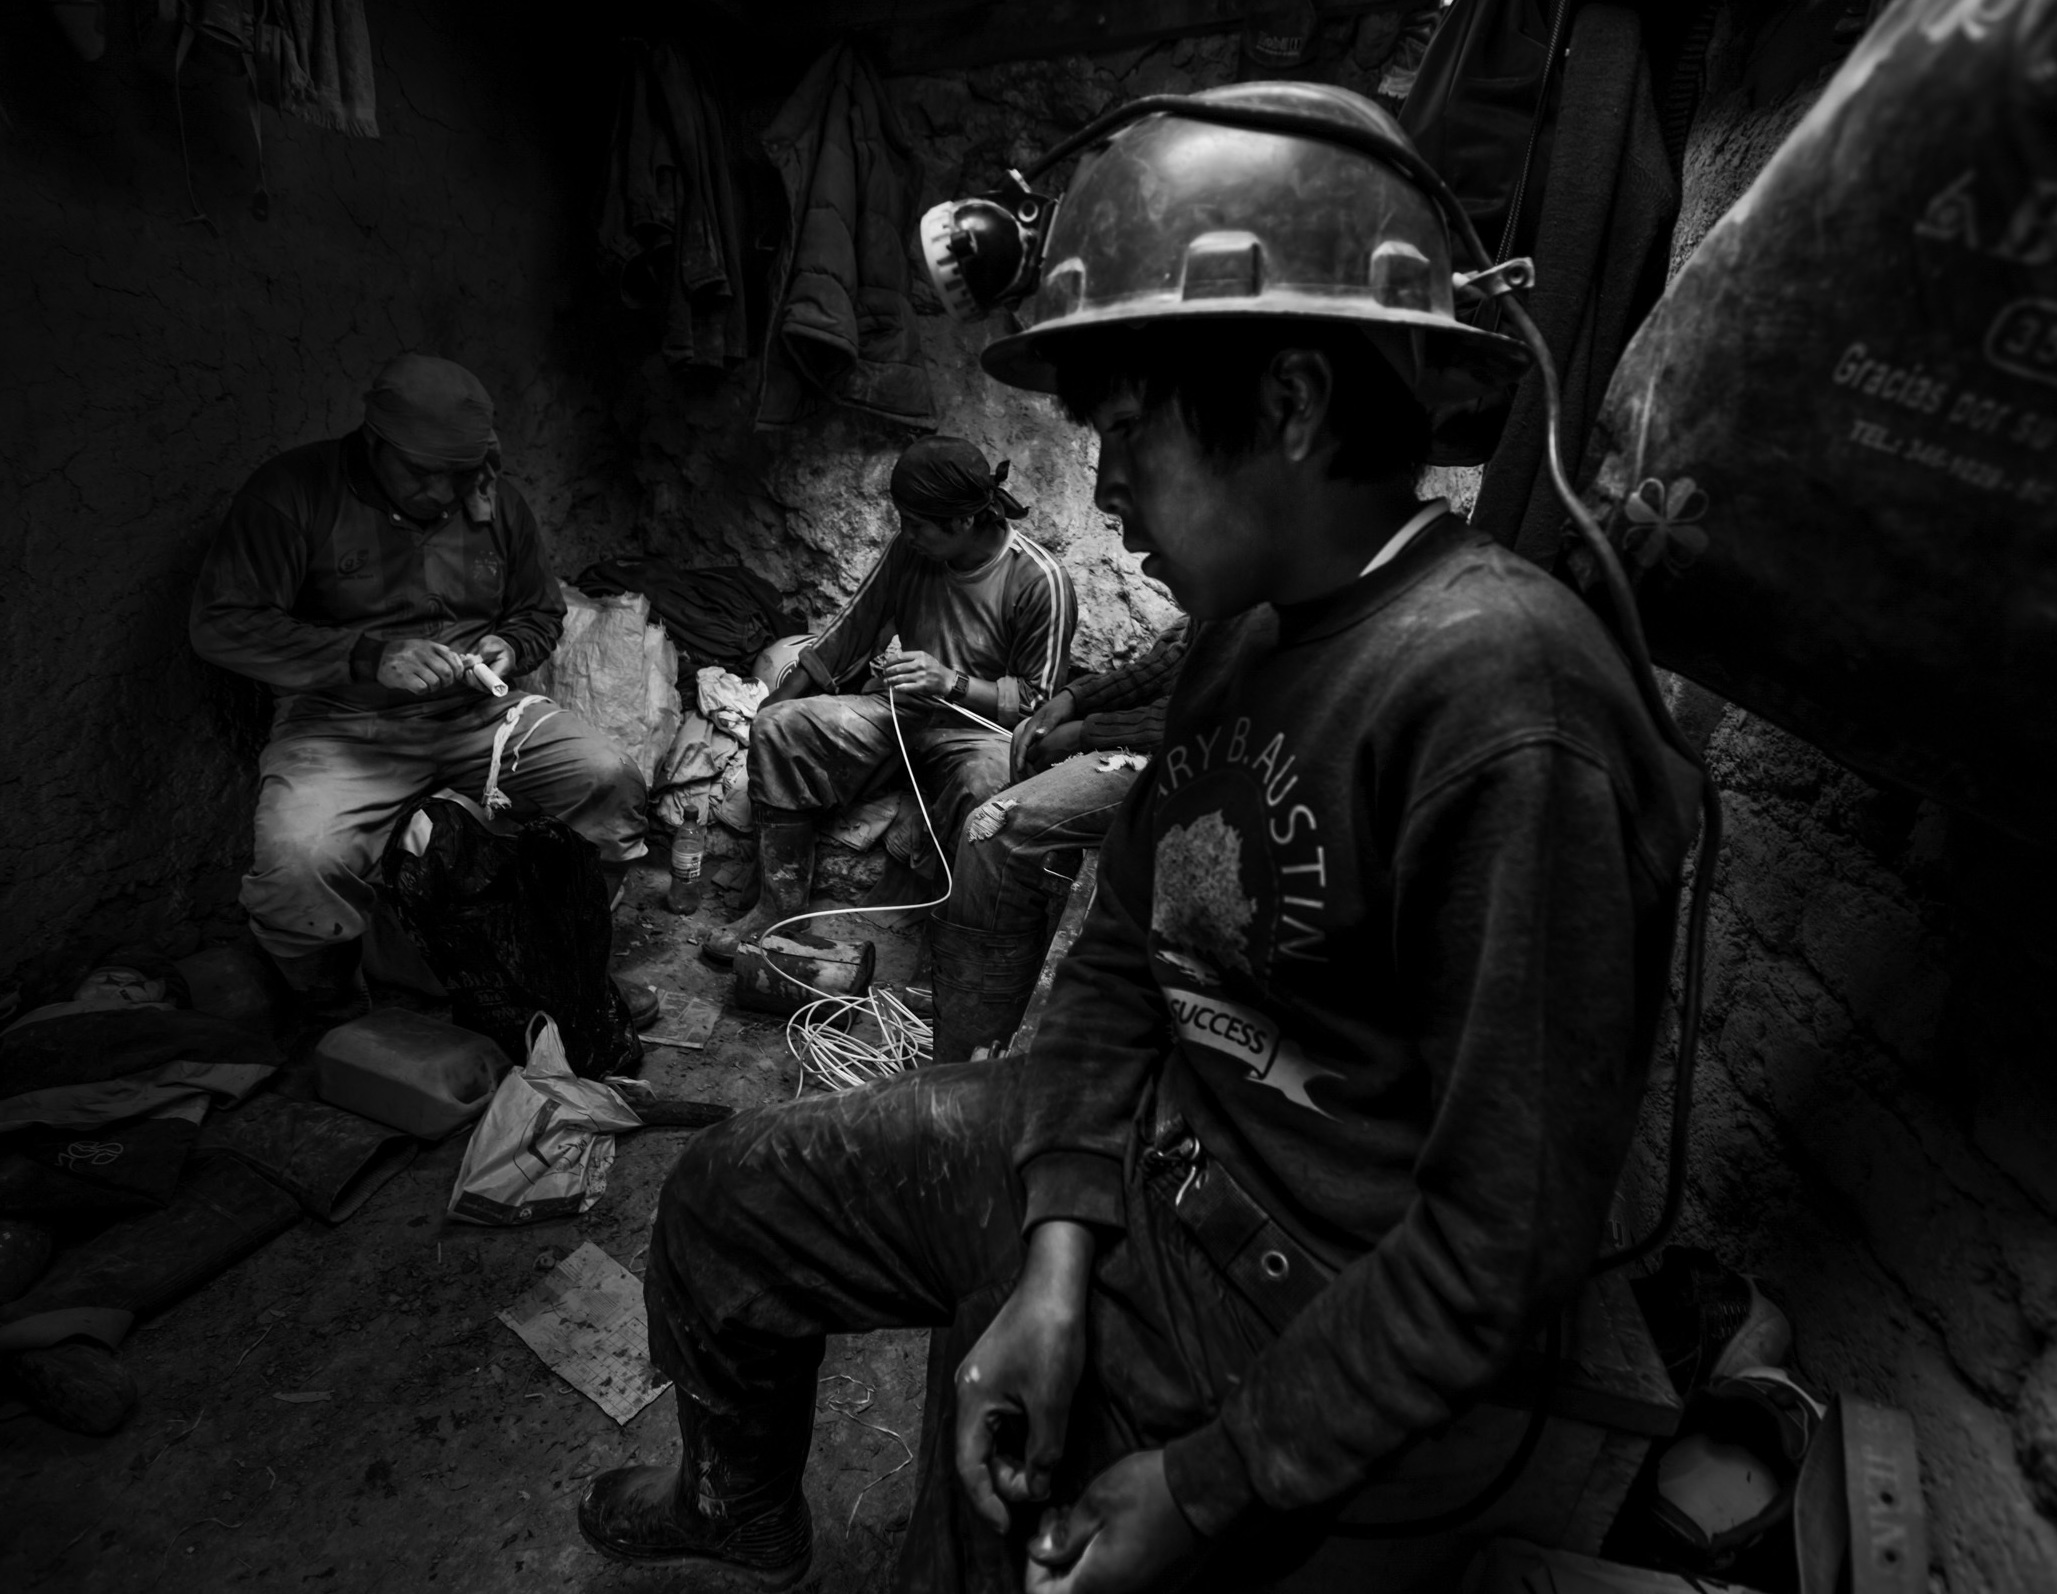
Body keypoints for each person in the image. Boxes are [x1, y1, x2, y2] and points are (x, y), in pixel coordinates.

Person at [580, 83, 1699, 1594]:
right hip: (1145, 1160)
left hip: (1284, 1290)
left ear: (1294, 404)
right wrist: (1055, 1247)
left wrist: (1209, 1479)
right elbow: (1120, 957)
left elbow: (1497, 1247)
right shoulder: (1247, 637)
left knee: (984, 1531)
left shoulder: (1507, 704)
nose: (1101, 488)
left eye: (1125, 433)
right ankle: (739, 1502)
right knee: (730, 1199)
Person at [191, 354, 650, 1020]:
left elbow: (538, 614)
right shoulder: (293, 493)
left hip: (481, 715)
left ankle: (565, 974)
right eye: (423, 474)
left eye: (459, 475)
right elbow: (220, 624)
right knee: (300, 864)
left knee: (608, 779)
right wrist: (363, 656)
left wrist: (509, 645)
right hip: (341, 723)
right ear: (373, 444)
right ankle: (336, 1019)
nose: (442, 493)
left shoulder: (494, 502)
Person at [702, 435, 1077, 963]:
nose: (906, 534)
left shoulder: (1040, 581)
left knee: (990, 785)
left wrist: (951, 682)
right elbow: (852, 627)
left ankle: (949, 955)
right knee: (781, 726)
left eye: (917, 523)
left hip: (978, 736)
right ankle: (778, 909)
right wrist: (779, 701)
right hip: (899, 714)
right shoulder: (912, 550)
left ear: (963, 521)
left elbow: (1040, 704)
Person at [929, 618, 1190, 1065]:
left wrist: (1092, 732)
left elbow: (1216, 708)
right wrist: (1074, 699)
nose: (1136, 544)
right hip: (1175, 731)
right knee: (1010, 782)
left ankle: (963, 1069)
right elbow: (1176, 662)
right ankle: (969, 1028)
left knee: (994, 832)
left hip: (1206, 758)